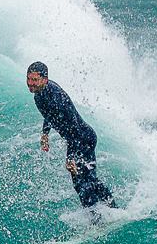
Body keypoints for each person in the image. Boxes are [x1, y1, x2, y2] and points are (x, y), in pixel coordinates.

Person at [26, 61, 113, 211]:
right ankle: (110, 210)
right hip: (79, 139)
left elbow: (75, 130)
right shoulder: (39, 95)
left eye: (34, 80)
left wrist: (70, 157)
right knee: (88, 180)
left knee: (82, 182)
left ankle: (98, 217)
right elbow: (49, 114)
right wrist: (45, 134)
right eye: (28, 79)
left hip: (84, 139)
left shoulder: (58, 98)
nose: (30, 84)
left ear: (44, 80)